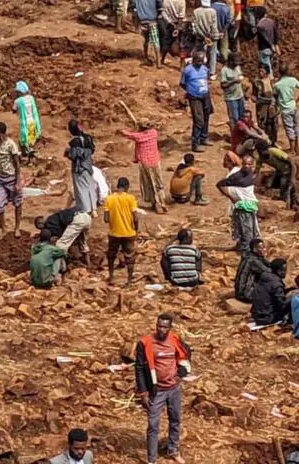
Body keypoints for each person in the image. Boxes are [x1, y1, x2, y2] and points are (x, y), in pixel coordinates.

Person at [135, 313, 191, 464]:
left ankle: (173, 449)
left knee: (175, 420)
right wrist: (143, 392)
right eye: (159, 326)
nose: (161, 330)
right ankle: (152, 459)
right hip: (156, 390)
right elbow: (139, 367)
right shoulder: (145, 343)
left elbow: (186, 354)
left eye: (165, 327)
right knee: (153, 425)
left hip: (174, 389)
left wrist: (181, 373)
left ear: (170, 328)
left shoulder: (175, 340)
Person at [121, 120, 168, 214]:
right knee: (159, 182)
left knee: (150, 183)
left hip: (145, 163)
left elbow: (126, 134)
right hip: (155, 161)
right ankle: (163, 202)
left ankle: (157, 204)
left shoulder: (139, 136)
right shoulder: (154, 133)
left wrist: (132, 128)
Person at [216, 155, 258, 251]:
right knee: (245, 228)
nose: (247, 166)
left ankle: (243, 246)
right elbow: (220, 185)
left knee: (248, 227)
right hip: (243, 205)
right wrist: (231, 197)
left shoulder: (251, 173)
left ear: (252, 165)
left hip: (251, 204)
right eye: (245, 164)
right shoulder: (236, 176)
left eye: (249, 164)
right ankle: (246, 249)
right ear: (242, 164)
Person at [105, 177, 139, 286]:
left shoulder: (109, 199)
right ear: (126, 187)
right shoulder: (130, 198)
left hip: (114, 233)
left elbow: (106, 219)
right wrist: (136, 229)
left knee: (111, 255)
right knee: (129, 257)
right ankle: (129, 281)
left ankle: (111, 277)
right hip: (129, 233)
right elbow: (136, 217)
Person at [0, 122, 23, 237]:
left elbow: (17, 163)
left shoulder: (11, 145)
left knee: (18, 203)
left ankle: (17, 228)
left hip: (12, 177)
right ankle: (4, 229)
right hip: (1, 179)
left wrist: (17, 181)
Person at [180, 51, 212, 152]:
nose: (200, 63)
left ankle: (204, 137)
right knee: (199, 120)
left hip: (205, 95)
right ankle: (195, 143)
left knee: (206, 116)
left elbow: (206, 79)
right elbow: (182, 83)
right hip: (194, 98)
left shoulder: (204, 68)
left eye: (202, 61)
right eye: (198, 61)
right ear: (193, 60)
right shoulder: (187, 70)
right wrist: (191, 91)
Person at [66, 120, 96, 214]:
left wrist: (68, 152)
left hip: (79, 168)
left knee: (81, 189)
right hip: (88, 165)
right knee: (90, 186)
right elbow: (92, 149)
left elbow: (74, 155)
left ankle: (85, 210)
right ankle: (93, 209)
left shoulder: (75, 141)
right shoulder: (88, 138)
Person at [251, 258, 290, 326]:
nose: (285, 272)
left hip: (258, 317)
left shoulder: (264, 279)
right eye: (284, 270)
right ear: (278, 271)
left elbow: (270, 293)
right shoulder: (276, 284)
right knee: (295, 300)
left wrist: (289, 290)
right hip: (269, 318)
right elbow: (281, 305)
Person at [12, 81, 42, 163]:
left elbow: (13, 109)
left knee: (22, 141)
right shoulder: (31, 98)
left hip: (25, 123)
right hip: (33, 122)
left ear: (19, 92)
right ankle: (31, 157)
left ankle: (26, 156)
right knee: (31, 139)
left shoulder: (18, 101)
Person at [274, 63, 299, 154]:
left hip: (285, 110)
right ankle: (297, 148)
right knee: (296, 127)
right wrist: (297, 100)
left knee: (289, 128)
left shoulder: (277, 84)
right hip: (294, 107)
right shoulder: (293, 80)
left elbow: (275, 96)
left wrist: (277, 107)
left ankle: (292, 150)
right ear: (287, 71)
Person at [234, 238, 269, 302]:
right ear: (254, 249)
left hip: (239, 292)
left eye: (264, 247)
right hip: (246, 294)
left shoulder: (249, 256)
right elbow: (269, 272)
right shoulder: (253, 261)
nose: (264, 249)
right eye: (261, 248)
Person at [192, 0, 220, 79]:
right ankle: (211, 72)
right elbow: (213, 26)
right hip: (212, 36)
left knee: (199, 52)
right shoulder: (213, 11)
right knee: (212, 53)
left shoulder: (196, 11)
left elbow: (196, 27)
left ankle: (198, 70)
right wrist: (209, 36)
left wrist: (204, 36)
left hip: (200, 36)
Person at [253, 63, 279, 144]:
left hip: (271, 106)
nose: (260, 73)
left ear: (266, 73)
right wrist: (255, 99)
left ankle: (273, 141)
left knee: (273, 124)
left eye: (262, 71)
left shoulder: (272, 81)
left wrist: (276, 105)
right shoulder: (257, 82)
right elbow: (254, 95)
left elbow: (276, 94)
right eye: (259, 71)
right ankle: (264, 142)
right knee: (262, 124)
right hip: (262, 106)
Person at [220, 53, 246, 129]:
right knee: (234, 118)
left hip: (240, 96)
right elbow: (223, 85)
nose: (237, 64)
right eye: (235, 62)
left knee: (242, 116)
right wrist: (233, 81)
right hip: (231, 98)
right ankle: (235, 136)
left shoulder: (237, 67)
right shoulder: (224, 70)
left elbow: (240, 76)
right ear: (230, 61)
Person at [159, 0, 186, 67]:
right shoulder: (182, 1)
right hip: (180, 24)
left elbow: (164, 13)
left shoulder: (166, 1)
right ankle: (182, 66)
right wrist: (177, 28)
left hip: (170, 24)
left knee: (167, 42)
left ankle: (162, 59)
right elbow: (181, 16)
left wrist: (170, 22)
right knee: (182, 44)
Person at [256, 9, 280, 78]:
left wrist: (271, 45)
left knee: (266, 67)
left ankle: (270, 81)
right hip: (271, 50)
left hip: (264, 49)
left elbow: (265, 37)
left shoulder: (259, 25)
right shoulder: (271, 21)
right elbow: (276, 33)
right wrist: (276, 45)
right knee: (270, 64)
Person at [135, 0, 160, 68]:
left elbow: (135, 10)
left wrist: (136, 24)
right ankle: (158, 62)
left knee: (146, 40)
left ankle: (146, 57)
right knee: (156, 41)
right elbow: (159, 4)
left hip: (143, 21)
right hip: (152, 20)